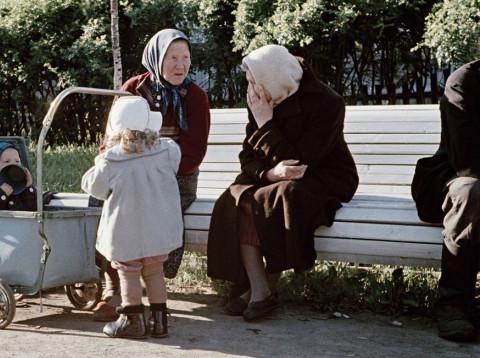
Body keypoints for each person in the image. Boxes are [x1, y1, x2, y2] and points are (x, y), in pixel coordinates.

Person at [206, 45, 359, 321]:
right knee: (237, 196)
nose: (250, 89)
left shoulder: (328, 102)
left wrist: (265, 123)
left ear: (273, 79)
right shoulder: (263, 97)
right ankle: (259, 287)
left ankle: (263, 289)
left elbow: (299, 163)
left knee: (275, 197)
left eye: (254, 81)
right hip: (275, 173)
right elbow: (247, 156)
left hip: (324, 175)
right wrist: (269, 174)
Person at [92, 28, 210, 321]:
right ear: (157, 58)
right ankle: (113, 286)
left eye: (185, 58)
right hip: (128, 172)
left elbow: (193, 153)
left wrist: (154, 172)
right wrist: (118, 166)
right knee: (102, 208)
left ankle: (146, 287)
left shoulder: (195, 97)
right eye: (172, 57)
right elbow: (111, 137)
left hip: (174, 176)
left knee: (150, 209)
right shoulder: (133, 88)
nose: (180, 65)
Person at [82, 96, 183, 338]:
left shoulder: (110, 160)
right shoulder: (167, 150)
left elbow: (96, 188)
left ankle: (133, 319)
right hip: (157, 227)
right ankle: (160, 322)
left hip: (126, 230)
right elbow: (176, 168)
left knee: (128, 272)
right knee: (154, 270)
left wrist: (94, 168)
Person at [411, 60, 480, 343]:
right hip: (454, 176)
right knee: (471, 191)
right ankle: (453, 304)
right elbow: (466, 162)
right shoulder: (464, 81)